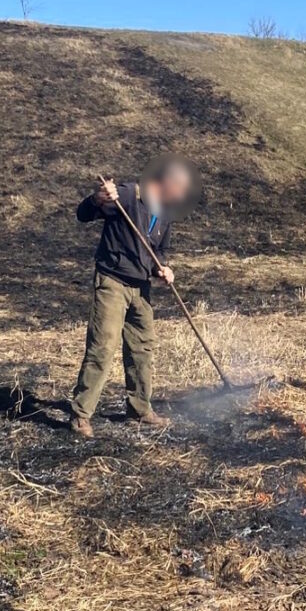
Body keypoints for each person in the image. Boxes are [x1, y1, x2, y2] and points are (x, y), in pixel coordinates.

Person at [69, 156, 193, 438]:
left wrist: (163, 269)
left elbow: (159, 251)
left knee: (142, 346)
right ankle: (80, 414)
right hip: (113, 280)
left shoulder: (166, 214)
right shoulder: (127, 194)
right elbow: (84, 214)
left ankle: (139, 409)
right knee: (103, 345)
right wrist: (98, 198)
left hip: (141, 287)